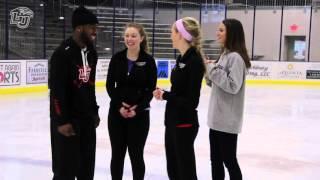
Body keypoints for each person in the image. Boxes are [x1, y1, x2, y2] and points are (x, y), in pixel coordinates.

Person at [49, 6, 100, 180]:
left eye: (96, 27)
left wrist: (94, 111)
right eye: (91, 27)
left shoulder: (92, 53)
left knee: (86, 170)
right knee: (65, 172)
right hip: (67, 123)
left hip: (86, 121)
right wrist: (62, 120)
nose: (95, 31)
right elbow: (57, 92)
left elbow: (90, 86)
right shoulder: (62, 55)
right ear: (79, 28)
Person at [153, 17, 205, 180]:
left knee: (185, 172)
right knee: (174, 170)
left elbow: (191, 101)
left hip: (184, 123)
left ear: (181, 35)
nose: (170, 36)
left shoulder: (194, 61)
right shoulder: (181, 58)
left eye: (172, 32)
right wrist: (165, 93)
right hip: (172, 121)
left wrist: (166, 95)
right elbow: (179, 91)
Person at [106, 22, 157, 180]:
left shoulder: (148, 61)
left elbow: (150, 90)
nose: (130, 39)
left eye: (133, 35)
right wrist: (119, 105)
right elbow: (109, 86)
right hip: (116, 115)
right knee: (117, 155)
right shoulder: (117, 58)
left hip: (139, 116)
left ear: (141, 38)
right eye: (127, 35)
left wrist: (138, 108)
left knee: (136, 156)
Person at [205, 19, 251, 180]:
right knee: (215, 161)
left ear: (232, 33)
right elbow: (217, 84)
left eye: (221, 30)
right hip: (216, 119)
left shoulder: (236, 58)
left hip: (227, 121)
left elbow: (233, 86)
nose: (217, 33)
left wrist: (212, 69)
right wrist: (209, 72)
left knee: (229, 161)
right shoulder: (224, 55)